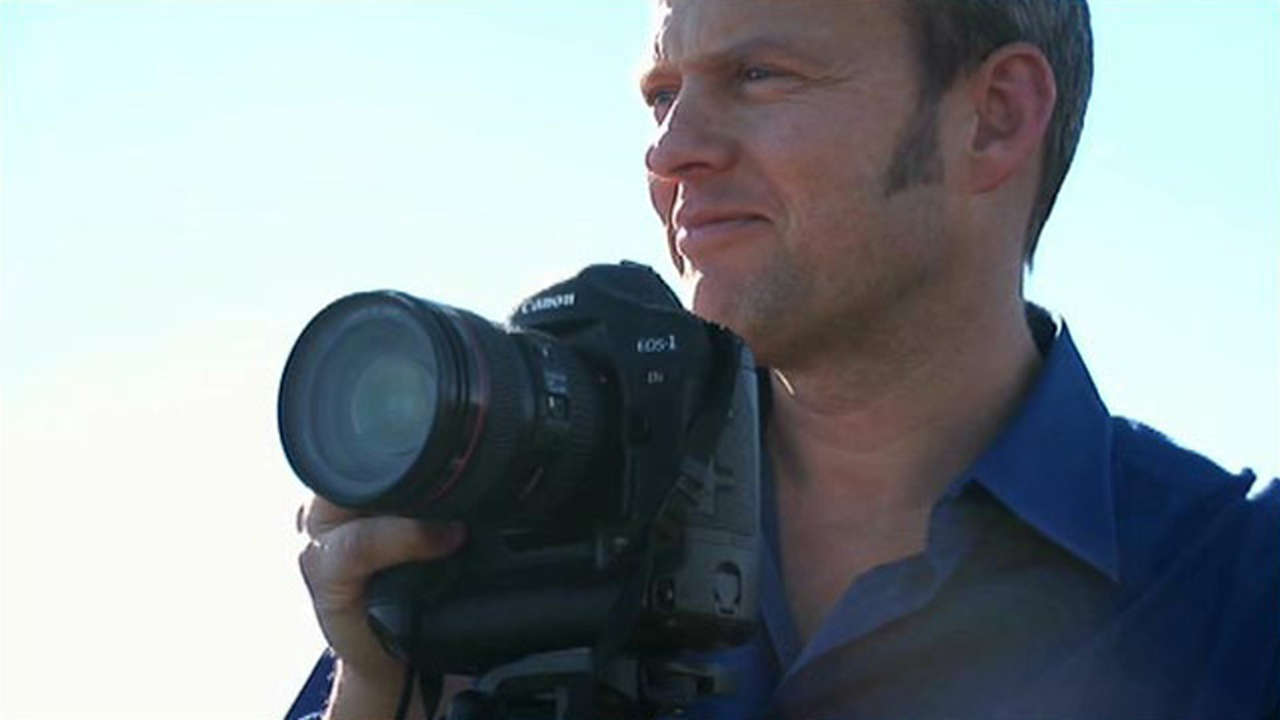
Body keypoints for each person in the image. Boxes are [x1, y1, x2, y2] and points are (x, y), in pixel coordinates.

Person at [288, 1, 1280, 718]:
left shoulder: (1240, 592)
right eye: (661, 94)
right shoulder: (528, 521)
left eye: (758, 76)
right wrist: (374, 690)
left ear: (995, 117)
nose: (669, 152)